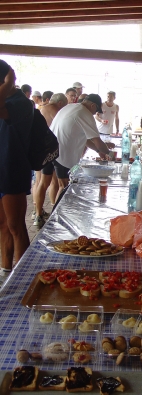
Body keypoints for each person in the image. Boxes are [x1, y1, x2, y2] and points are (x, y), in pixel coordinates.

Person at [0, 60, 33, 281]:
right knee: (2, 225)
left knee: (16, 226)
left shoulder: (21, 102)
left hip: (12, 169)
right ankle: (5, 272)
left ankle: (22, 279)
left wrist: (8, 83)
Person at [50, 94, 114, 202]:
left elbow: (86, 140)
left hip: (52, 149)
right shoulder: (84, 113)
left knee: (59, 185)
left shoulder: (71, 107)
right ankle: (55, 216)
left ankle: (55, 211)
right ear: (92, 105)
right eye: (96, 110)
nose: (95, 114)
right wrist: (111, 155)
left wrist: (99, 151)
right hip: (62, 153)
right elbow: (97, 141)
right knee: (63, 186)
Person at [32, 93, 69, 229]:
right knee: (58, 184)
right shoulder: (56, 111)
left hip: (42, 151)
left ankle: (37, 214)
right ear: (60, 103)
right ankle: (55, 213)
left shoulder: (42, 108)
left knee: (42, 182)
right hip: (53, 151)